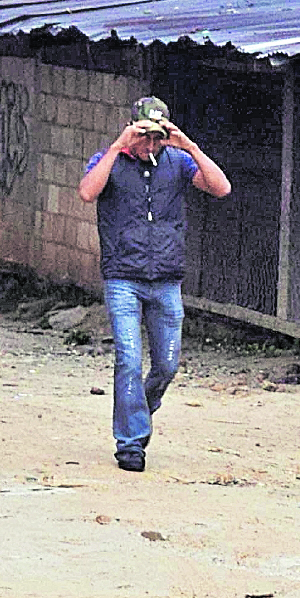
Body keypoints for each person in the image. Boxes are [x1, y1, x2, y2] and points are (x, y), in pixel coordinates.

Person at [75, 97, 232, 472]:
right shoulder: (109, 160)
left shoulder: (176, 162)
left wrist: (189, 146)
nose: (150, 146)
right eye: (144, 137)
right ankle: (130, 443)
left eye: (156, 138)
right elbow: (87, 192)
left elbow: (220, 187)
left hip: (166, 277)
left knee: (167, 364)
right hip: (123, 277)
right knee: (128, 359)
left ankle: (139, 413)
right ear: (132, 130)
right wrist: (118, 146)